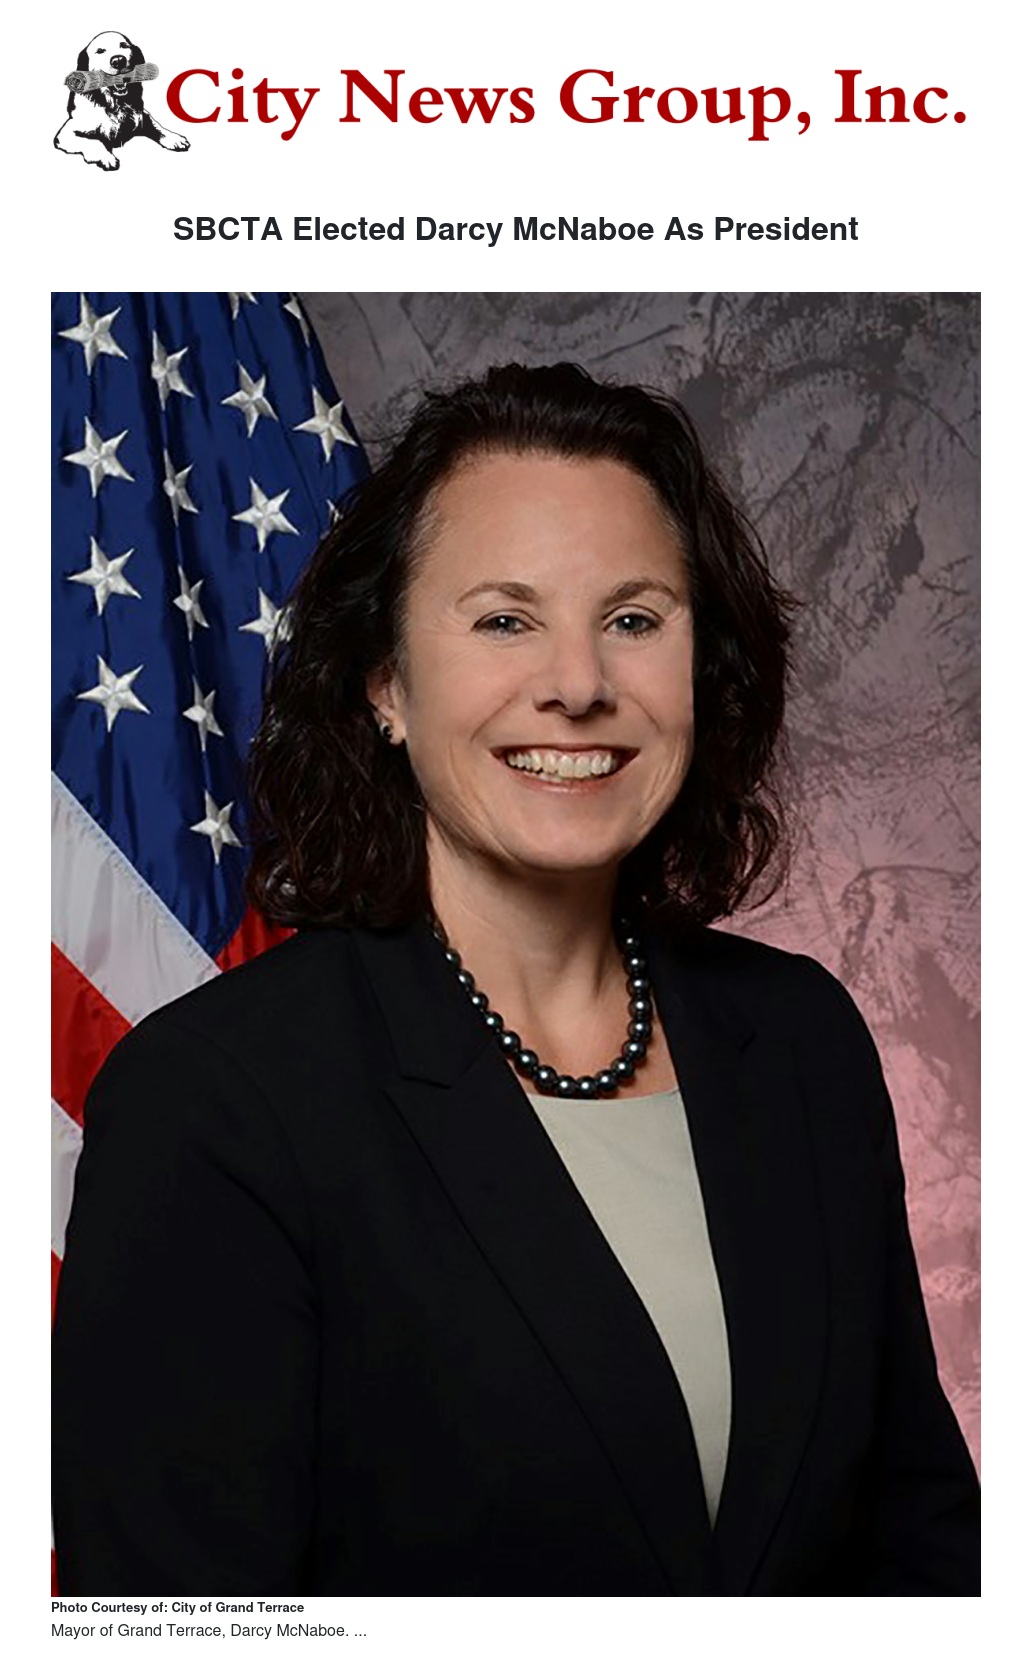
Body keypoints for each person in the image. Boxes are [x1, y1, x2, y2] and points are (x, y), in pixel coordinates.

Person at [52, 362, 980, 1595]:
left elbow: (923, 1552)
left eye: (635, 618)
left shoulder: (801, 1036)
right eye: (504, 619)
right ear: (386, 682)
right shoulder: (214, 1102)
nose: (580, 683)